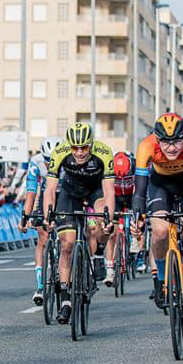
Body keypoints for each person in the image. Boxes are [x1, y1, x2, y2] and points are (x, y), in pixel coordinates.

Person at [131, 113, 183, 326]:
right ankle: (159, 280)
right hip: (161, 186)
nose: (172, 147)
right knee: (159, 232)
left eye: (176, 141)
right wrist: (137, 218)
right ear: (157, 140)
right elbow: (139, 191)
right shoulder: (146, 146)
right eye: (166, 142)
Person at [42, 123, 115, 324]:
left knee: (103, 216)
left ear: (91, 143)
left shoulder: (104, 152)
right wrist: (48, 213)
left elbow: (109, 190)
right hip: (70, 192)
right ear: (69, 145)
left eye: (84, 147)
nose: (80, 152)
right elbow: (50, 189)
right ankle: (65, 300)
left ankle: (99, 251)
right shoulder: (60, 152)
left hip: (95, 191)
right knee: (67, 244)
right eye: (75, 148)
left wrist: (107, 218)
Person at [20, 137, 59, 305]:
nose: (50, 164)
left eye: (53, 161)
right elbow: (31, 192)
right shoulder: (36, 163)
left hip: (65, 193)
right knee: (42, 238)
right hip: (45, 195)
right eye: (47, 160)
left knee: (67, 237)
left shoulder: (67, 159)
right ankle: (41, 286)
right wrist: (25, 216)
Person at [111, 151, 144, 272]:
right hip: (117, 196)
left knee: (139, 220)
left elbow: (142, 188)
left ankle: (139, 255)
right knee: (113, 227)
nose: (122, 179)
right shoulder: (109, 167)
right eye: (119, 178)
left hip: (132, 195)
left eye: (125, 176)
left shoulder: (136, 166)